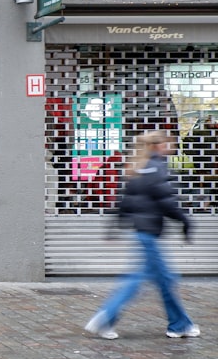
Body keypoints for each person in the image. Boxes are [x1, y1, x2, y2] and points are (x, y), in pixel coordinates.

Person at [85, 130, 199, 340]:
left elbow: (124, 202)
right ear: (158, 145)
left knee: (164, 280)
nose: (171, 147)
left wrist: (113, 227)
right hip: (150, 234)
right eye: (168, 143)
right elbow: (167, 202)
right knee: (137, 281)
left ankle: (180, 324)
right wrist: (185, 221)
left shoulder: (136, 167)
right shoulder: (157, 168)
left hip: (142, 233)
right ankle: (105, 317)